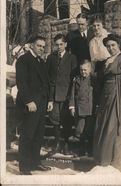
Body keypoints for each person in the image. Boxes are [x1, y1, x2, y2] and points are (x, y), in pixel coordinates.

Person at [93, 34, 121, 174]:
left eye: (113, 45)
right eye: (108, 46)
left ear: (118, 45)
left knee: (115, 127)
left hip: (119, 96)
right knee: (104, 126)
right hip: (105, 98)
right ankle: (104, 162)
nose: (111, 48)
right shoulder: (106, 61)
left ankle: (116, 164)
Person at [16, 36, 53, 175]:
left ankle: (35, 162)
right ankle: (24, 167)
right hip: (30, 104)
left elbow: (47, 82)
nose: (42, 49)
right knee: (27, 134)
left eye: (43, 46)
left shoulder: (41, 62)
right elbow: (21, 83)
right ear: (31, 45)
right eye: (39, 46)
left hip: (42, 104)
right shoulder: (23, 60)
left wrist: (49, 100)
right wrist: (28, 101)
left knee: (38, 135)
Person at [46, 34, 77, 155]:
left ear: (65, 44)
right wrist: (50, 98)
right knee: (55, 120)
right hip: (53, 95)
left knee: (66, 121)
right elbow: (47, 78)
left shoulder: (72, 58)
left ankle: (66, 144)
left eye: (61, 44)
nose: (59, 47)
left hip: (67, 95)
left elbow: (74, 77)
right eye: (57, 44)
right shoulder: (51, 58)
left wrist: (72, 97)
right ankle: (57, 143)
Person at [69, 60, 96, 156]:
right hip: (79, 109)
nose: (83, 72)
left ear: (90, 69)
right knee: (79, 131)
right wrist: (72, 107)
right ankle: (81, 151)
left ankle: (90, 151)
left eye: (85, 70)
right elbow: (72, 93)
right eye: (81, 70)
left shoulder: (93, 79)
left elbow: (96, 94)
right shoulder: (77, 80)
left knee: (89, 131)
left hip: (90, 109)